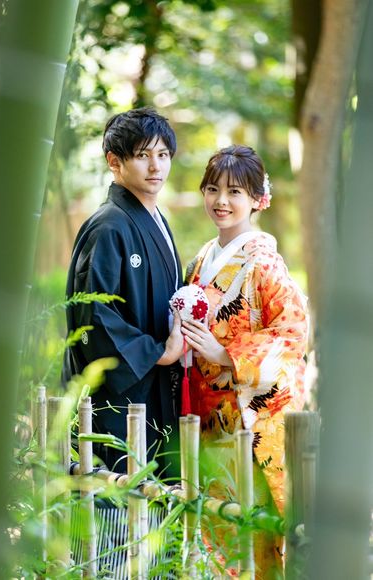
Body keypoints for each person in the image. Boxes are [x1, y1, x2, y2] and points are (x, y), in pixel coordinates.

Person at [181, 144, 309, 577]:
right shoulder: (204, 258)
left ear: (258, 199)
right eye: (212, 189)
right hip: (209, 416)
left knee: (253, 535)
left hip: (249, 416)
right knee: (218, 530)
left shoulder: (263, 261)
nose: (221, 201)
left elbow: (293, 332)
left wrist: (226, 354)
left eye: (235, 192)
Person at [62, 107, 185, 474]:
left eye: (163, 154)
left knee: (154, 491)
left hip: (154, 389)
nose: (155, 166)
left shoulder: (156, 220)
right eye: (143, 155)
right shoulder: (108, 226)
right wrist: (158, 352)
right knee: (117, 490)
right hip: (121, 395)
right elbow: (94, 316)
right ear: (114, 162)